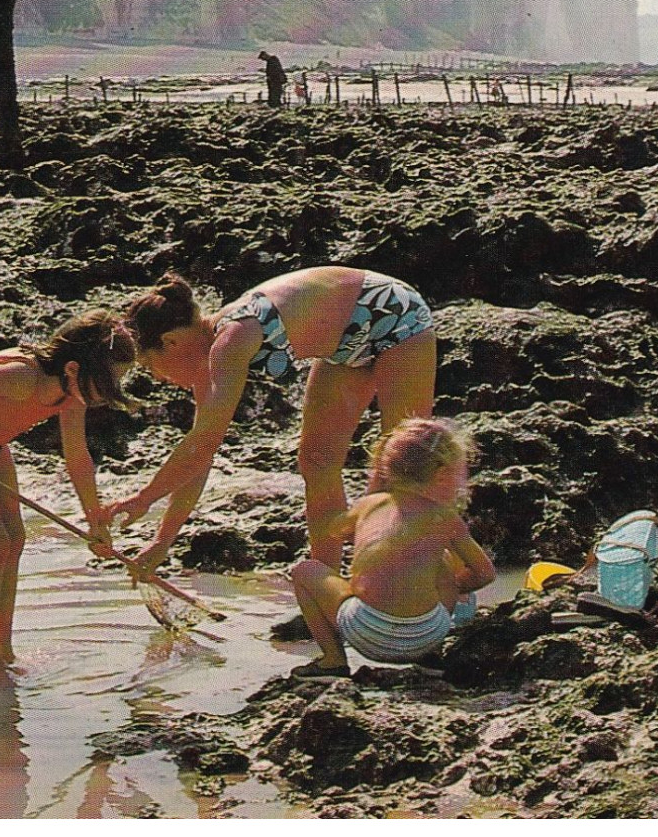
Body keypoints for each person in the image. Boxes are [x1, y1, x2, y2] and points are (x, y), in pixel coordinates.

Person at [111, 267, 438, 577]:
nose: (159, 378)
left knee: (402, 467)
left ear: (170, 342)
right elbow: (201, 456)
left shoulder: (232, 337)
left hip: (395, 314)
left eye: (152, 365)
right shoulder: (210, 362)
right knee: (316, 460)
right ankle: (327, 581)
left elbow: (200, 448)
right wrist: (161, 542)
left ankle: (432, 586)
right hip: (346, 344)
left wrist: (143, 498)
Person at [0, 310, 136, 673]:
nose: (108, 394)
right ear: (72, 369)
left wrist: (94, 520)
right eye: (107, 382)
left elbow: (77, 455)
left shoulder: (71, 394)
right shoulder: (21, 378)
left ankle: (3, 649)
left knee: (15, 539)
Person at [287, 418, 495, 679]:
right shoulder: (446, 518)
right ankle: (431, 657)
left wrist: (367, 531)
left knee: (305, 570)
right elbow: (485, 573)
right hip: (427, 635)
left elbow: (335, 530)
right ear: (442, 474)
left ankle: (333, 660)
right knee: (440, 561)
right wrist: (447, 587)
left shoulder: (369, 505)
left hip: (366, 634)